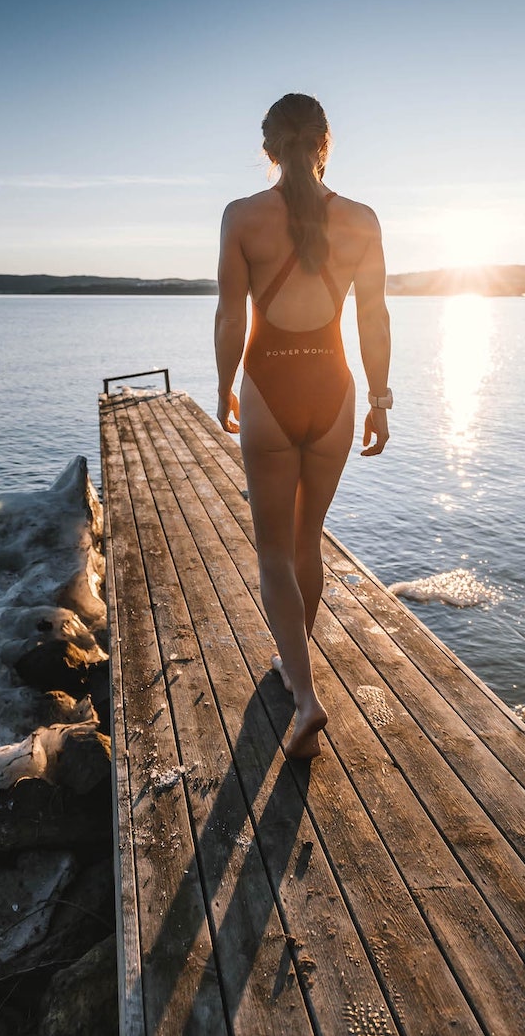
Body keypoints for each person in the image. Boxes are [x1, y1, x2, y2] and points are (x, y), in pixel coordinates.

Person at [214, 93, 391, 758]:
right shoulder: (363, 219)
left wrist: (226, 383)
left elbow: (233, 317)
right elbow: (374, 320)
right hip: (335, 389)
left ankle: (305, 692)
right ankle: (297, 664)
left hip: (269, 383)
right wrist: (380, 397)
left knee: (271, 550)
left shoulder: (242, 217)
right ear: (326, 143)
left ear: (268, 148)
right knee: (307, 539)